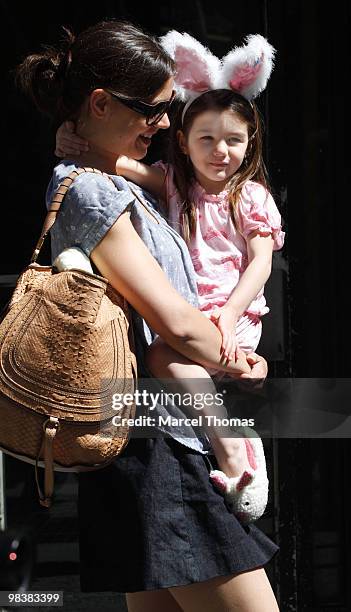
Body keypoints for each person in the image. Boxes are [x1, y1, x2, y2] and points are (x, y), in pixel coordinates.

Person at [17, 19, 279, 611]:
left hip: (156, 438)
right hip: (160, 446)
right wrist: (238, 362)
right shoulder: (90, 191)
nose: (164, 124)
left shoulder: (118, 183)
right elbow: (174, 323)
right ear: (101, 104)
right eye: (153, 110)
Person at [56, 31, 285, 519]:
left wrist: (229, 316)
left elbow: (261, 262)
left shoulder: (246, 197)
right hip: (183, 349)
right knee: (171, 359)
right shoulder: (171, 185)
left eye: (233, 140)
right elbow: (109, 162)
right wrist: (68, 141)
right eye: (206, 138)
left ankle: (235, 446)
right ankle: (234, 443)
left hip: (225, 320)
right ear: (184, 142)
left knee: (165, 355)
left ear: (251, 143)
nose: (220, 151)